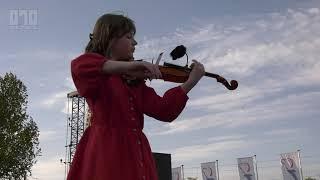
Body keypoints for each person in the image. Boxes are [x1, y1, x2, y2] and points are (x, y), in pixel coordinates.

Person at [67, 13, 205, 180]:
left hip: (135, 152)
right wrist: (132, 65)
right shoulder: (95, 71)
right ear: (109, 38)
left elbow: (164, 110)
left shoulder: (134, 81)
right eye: (129, 37)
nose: (135, 42)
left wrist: (190, 83)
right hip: (106, 150)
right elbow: (79, 66)